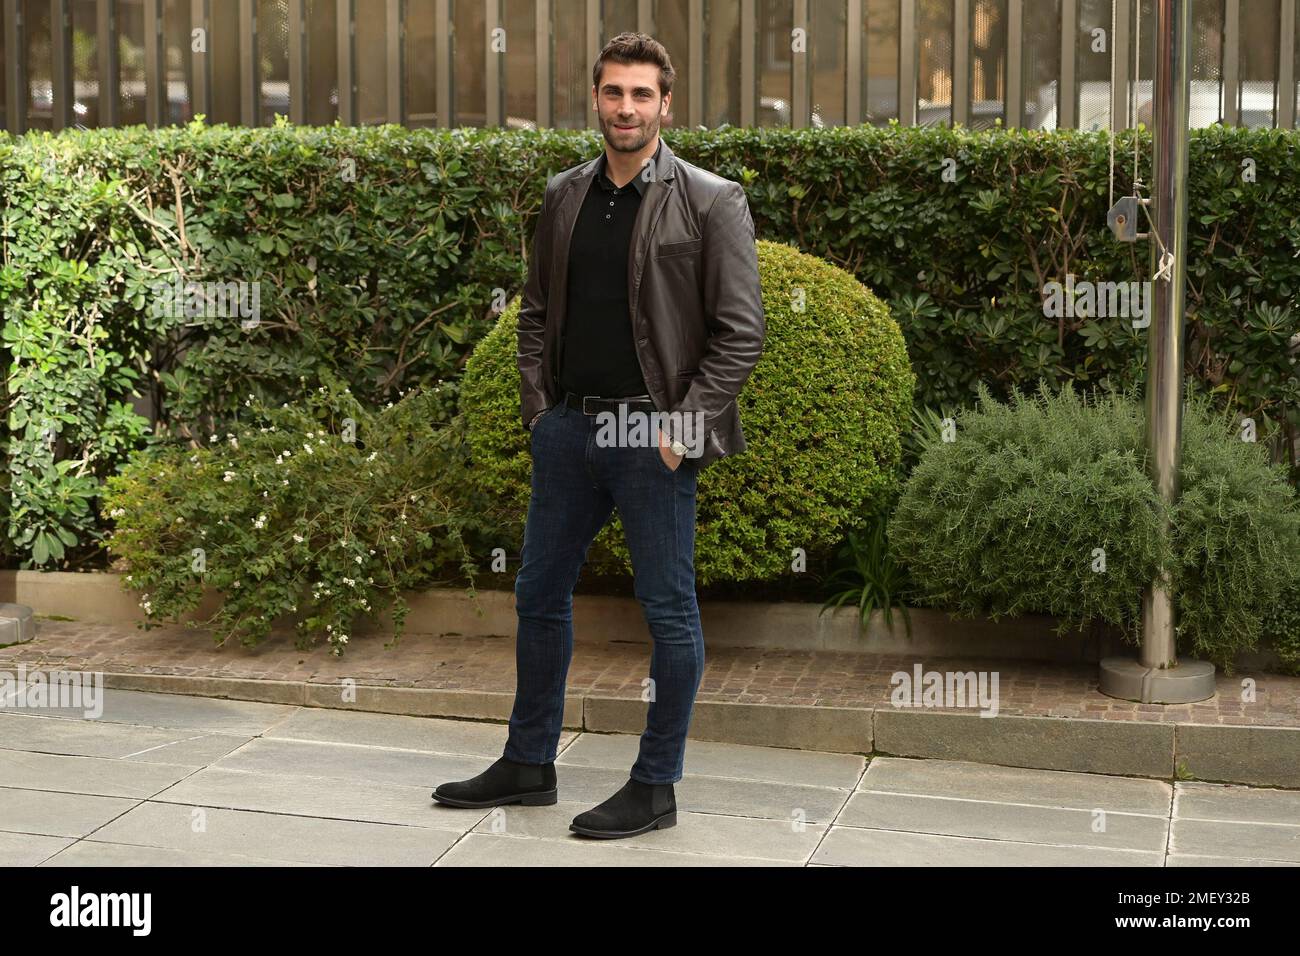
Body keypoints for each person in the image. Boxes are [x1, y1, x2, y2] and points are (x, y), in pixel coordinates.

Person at [433, 31, 764, 840]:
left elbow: (741, 332)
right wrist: (540, 411)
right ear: (596, 99)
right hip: (569, 430)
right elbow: (537, 311)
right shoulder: (565, 194)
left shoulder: (711, 199)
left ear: (666, 104)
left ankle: (655, 785)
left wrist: (681, 429)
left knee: (669, 613)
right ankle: (529, 763)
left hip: (652, 436)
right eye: (614, 93)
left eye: (642, 94)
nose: (626, 107)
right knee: (538, 595)